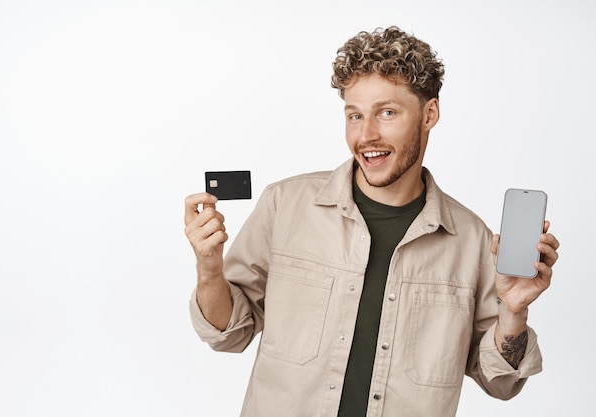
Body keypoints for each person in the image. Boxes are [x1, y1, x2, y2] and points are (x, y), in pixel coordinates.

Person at [184, 26, 560, 417]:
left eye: (387, 112)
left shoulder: (471, 240)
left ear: (429, 114)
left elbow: (501, 381)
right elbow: (228, 335)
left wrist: (514, 311)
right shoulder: (284, 205)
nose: (367, 135)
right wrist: (209, 270)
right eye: (355, 115)